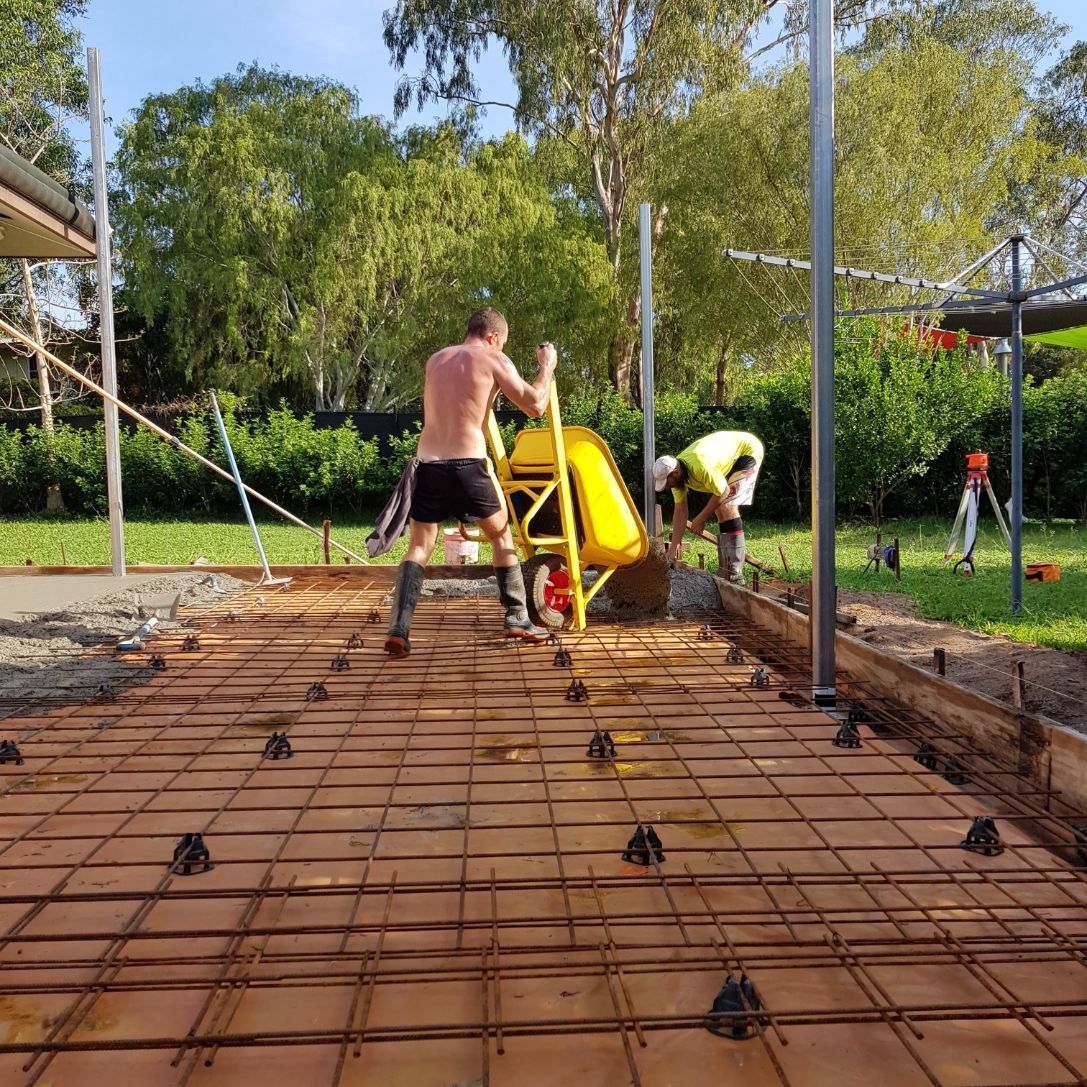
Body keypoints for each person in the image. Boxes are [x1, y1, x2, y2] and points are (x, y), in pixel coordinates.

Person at [385, 307, 558, 656]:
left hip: (428, 465)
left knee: (419, 546)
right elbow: (536, 405)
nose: (502, 348)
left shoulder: (435, 360)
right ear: (493, 337)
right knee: (501, 536)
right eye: (502, 342)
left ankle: (398, 628)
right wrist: (547, 367)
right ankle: (517, 617)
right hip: (468, 466)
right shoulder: (494, 358)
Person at [653, 431, 764, 584]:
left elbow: (724, 492)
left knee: (727, 505)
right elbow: (680, 512)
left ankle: (734, 574)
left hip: (747, 451)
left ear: (676, 473)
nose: (667, 487)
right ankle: (725, 569)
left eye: (667, 483)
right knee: (719, 508)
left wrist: (701, 518)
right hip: (723, 458)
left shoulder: (700, 466)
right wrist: (671, 554)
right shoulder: (677, 480)